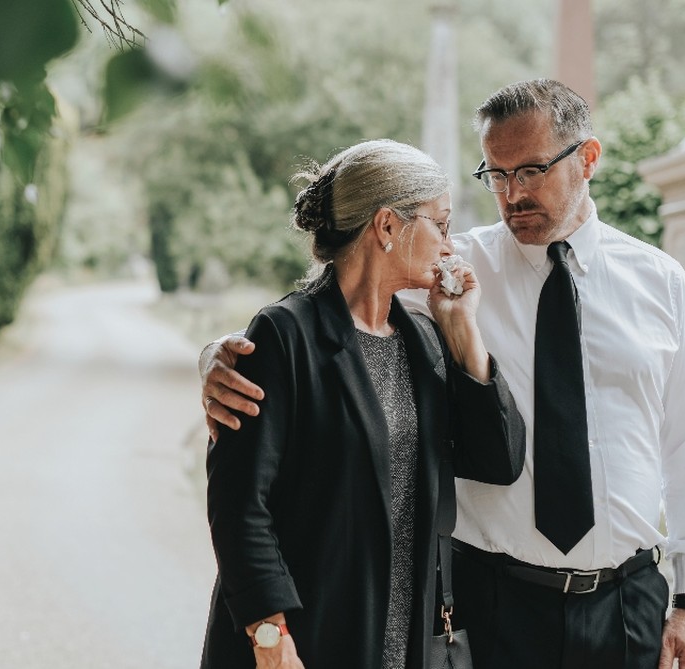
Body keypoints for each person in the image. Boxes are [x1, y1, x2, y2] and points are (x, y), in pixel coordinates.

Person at [199, 80, 685, 669]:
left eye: (530, 171)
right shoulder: (450, 274)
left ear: (587, 158)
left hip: (626, 606)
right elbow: (325, 315)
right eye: (496, 175)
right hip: (489, 607)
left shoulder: (660, 283)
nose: (512, 194)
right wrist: (218, 356)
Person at [200, 139, 525, 669]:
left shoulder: (423, 339)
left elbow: (498, 461)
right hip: (303, 637)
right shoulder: (284, 336)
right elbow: (239, 506)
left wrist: (464, 331)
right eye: (440, 224)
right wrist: (270, 636)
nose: (450, 246)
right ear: (388, 227)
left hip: (404, 641)